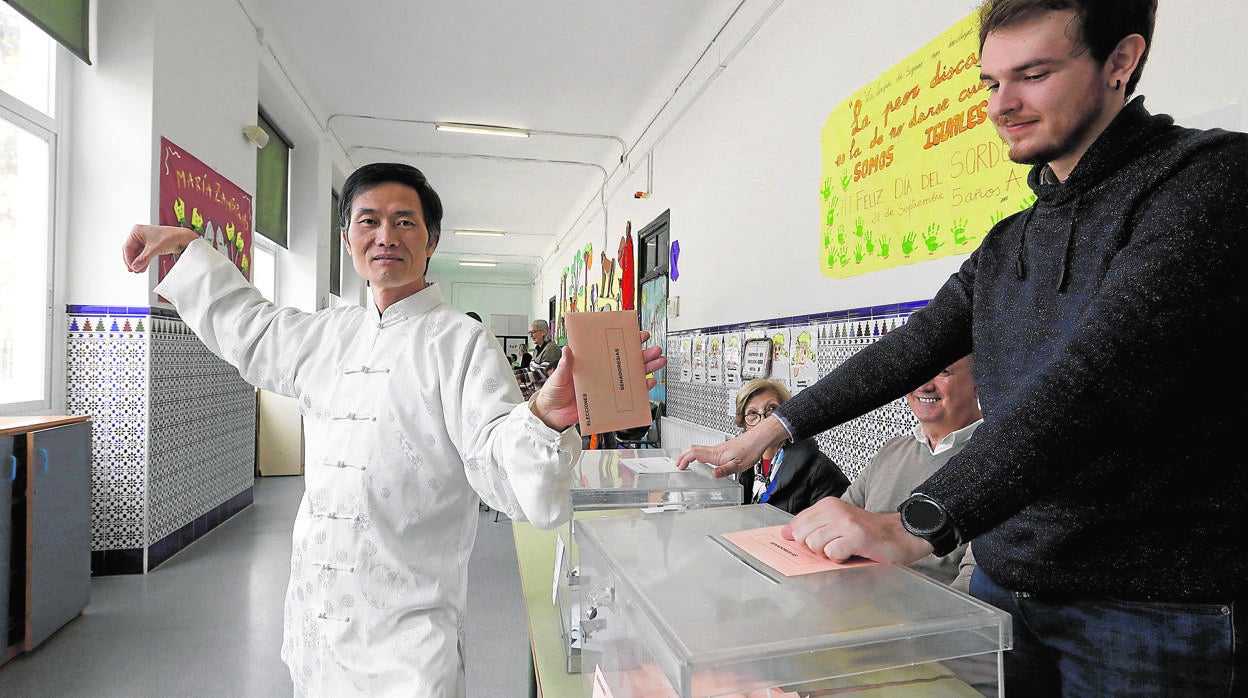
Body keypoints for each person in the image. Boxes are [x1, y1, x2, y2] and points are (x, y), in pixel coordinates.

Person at [678, 1, 1248, 694]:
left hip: (1149, 607)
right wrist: (760, 435)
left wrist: (915, 524)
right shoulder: (1011, 238)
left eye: (1032, 74)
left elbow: (1100, 377)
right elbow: (909, 347)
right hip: (1007, 583)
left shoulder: (1208, 180)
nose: (1001, 105)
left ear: (1121, 62)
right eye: (989, 83)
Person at [122, 162, 667, 696]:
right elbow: (252, 328)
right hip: (319, 615)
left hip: (410, 632)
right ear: (347, 238)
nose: (386, 236)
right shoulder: (326, 335)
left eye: (405, 222)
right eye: (369, 221)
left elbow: (494, 458)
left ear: (430, 240)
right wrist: (189, 250)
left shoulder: (459, 342)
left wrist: (544, 418)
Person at [836, 356, 980, 592]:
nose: (924, 386)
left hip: (929, 617)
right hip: (858, 601)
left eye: (942, 371)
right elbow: (843, 518)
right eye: (919, 371)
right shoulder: (891, 449)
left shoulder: (996, 462)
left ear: (980, 384)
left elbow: (973, 583)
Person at [733, 378, 849, 514]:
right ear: (744, 425)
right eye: (752, 413)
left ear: (788, 416)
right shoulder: (746, 465)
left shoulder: (819, 470)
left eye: (772, 409)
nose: (764, 421)